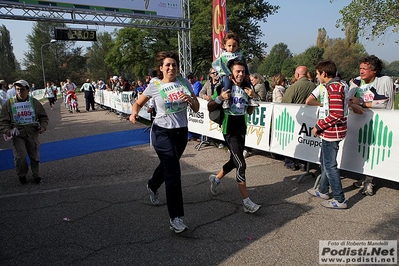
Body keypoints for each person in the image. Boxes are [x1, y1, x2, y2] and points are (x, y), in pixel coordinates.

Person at [129, 51, 200, 233]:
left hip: (181, 132)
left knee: (169, 166)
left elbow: (197, 107)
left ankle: (152, 184)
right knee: (174, 173)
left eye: (174, 65)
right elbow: (138, 103)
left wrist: (190, 100)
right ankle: (175, 218)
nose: (171, 68)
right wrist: (134, 112)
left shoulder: (184, 83)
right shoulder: (155, 84)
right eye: (167, 65)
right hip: (162, 132)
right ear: (161, 68)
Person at [207, 59, 261, 214]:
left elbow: (249, 111)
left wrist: (253, 98)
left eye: (243, 71)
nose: (240, 74)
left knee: (234, 160)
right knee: (241, 164)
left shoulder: (247, 88)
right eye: (237, 71)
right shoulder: (223, 86)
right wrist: (220, 98)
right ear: (231, 72)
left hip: (241, 128)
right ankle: (246, 202)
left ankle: (216, 179)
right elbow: (210, 106)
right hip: (229, 129)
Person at [348, 55, 396, 196]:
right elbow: (347, 100)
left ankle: (370, 181)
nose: (361, 71)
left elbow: (383, 103)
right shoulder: (355, 81)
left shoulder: (384, 80)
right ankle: (363, 177)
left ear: (374, 70)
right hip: (358, 123)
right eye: (360, 68)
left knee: (374, 152)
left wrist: (360, 103)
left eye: (365, 69)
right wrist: (352, 104)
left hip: (378, 123)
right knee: (361, 151)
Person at [306, 60, 349, 209]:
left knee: (330, 165)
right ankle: (323, 190)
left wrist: (319, 125)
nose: (317, 77)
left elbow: (336, 113)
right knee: (324, 161)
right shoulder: (336, 86)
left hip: (332, 132)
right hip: (331, 131)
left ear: (324, 73)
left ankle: (340, 199)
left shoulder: (334, 88)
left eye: (318, 74)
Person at [0, 80, 49, 184]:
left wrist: (43, 127)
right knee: (20, 156)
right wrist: (6, 130)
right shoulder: (9, 103)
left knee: (34, 155)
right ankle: (22, 174)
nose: (19, 92)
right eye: (17, 89)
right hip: (17, 134)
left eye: (22, 90)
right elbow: (3, 120)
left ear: (28, 90)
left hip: (32, 132)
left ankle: (36, 175)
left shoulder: (34, 102)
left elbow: (43, 117)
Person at [212, 31, 258, 109]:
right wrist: (229, 74)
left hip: (241, 117)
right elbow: (222, 66)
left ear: (237, 46)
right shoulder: (223, 56)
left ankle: (251, 99)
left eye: (234, 46)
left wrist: (247, 73)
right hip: (226, 75)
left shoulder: (239, 55)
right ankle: (226, 100)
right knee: (227, 84)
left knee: (247, 82)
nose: (231, 48)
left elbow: (245, 65)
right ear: (224, 46)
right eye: (229, 46)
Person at [282, 66, 316, 170]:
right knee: (305, 139)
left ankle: (290, 162)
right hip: (309, 118)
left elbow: (285, 103)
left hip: (294, 117)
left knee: (291, 140)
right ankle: (303, 162)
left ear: (297, 75)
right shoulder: (314, 86)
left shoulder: (294, 87)